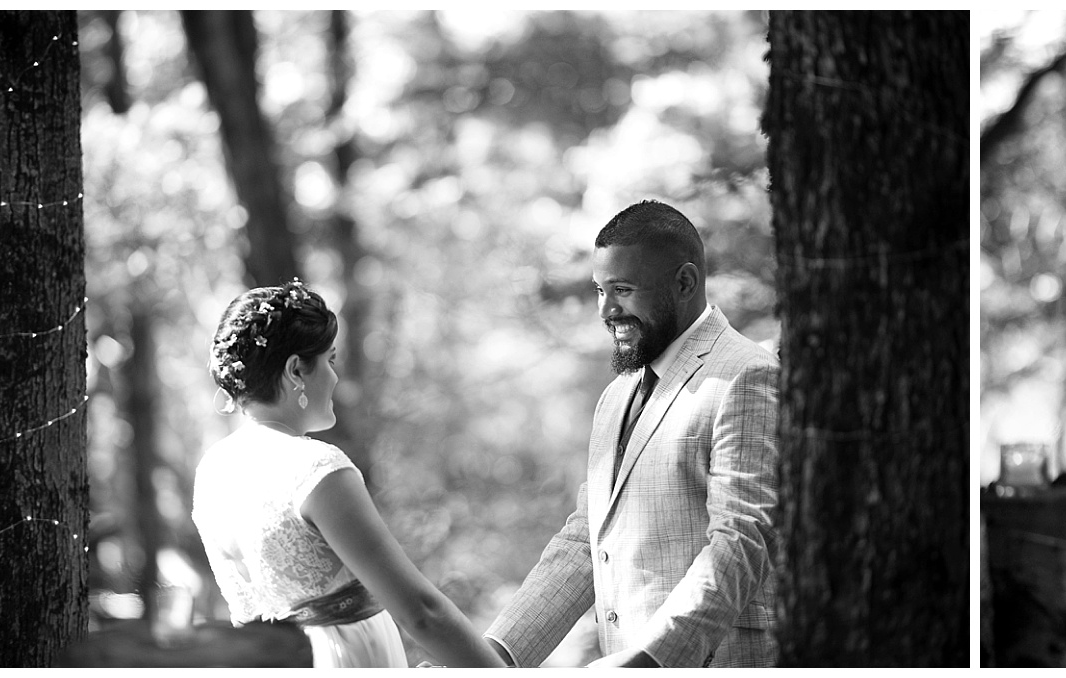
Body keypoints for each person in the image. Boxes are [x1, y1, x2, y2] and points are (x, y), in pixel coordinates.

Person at [484, 200, 781, 668]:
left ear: (685, 282)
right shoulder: (616, 396)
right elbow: (584, 543)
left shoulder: (747, 374)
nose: (606, 309)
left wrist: (650, 659)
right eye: (600, 290)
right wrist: (493, 656)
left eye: (622, 289)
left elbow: (742, 541)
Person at [192, 279, 505, 668]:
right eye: (330, 361)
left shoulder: (212, 471)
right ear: (296, 371)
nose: (336, 377)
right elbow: (422, 613)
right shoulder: (317, 469)